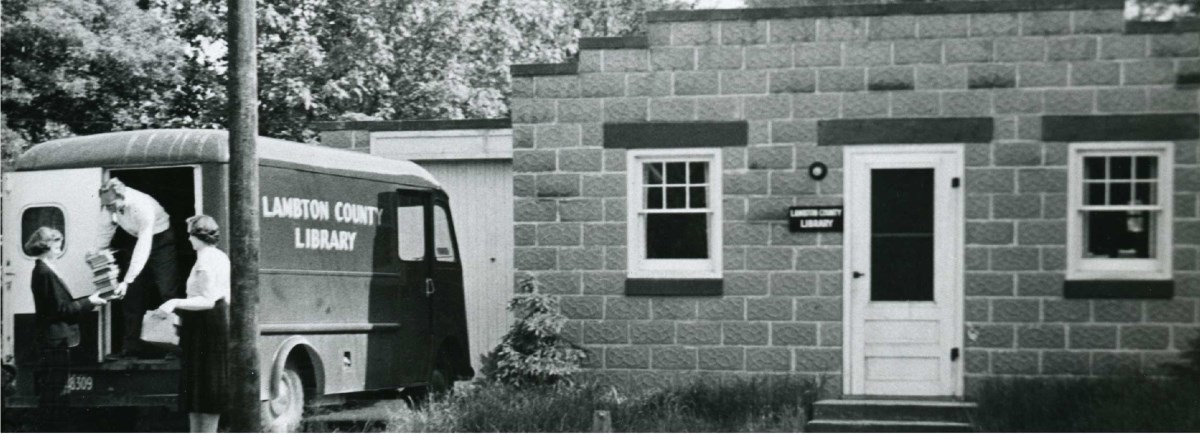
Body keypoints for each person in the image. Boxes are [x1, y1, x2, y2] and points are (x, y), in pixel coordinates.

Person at [26, 227, 109, 428]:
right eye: (57, 244)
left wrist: (90, 300)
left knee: (54, 391)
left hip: (52, 338)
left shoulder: (43, 270)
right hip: (55, 340)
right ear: (47, 246)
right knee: (56, 392)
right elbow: (61, 309)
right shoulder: (45, 272)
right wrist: (90, 301)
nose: (59, 248)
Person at [156, 215, 229, 433]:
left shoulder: (205, 260)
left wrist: (173, 302)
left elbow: (207, 300)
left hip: (206, 326)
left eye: (189, 234)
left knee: (203, 385)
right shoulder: (219, 256)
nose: (188, 239)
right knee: (203, 386)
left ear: (198, 236)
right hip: (210, 324)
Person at [96, 177, 180, 359]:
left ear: (122, 195)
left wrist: (127, 279)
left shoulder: (141, 206)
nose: (108, 209)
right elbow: (105, 232)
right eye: (105, 206)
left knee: (167, 290)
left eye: (110, 205)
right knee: (131, 294)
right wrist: (98, 255)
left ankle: (175, 347)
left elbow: (144, 246)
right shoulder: (110, 206)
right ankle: (131, 347)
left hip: (160, 238)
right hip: (134, 237)